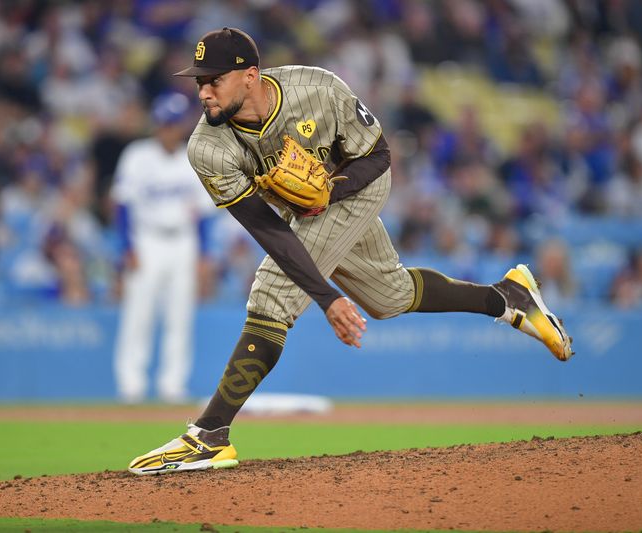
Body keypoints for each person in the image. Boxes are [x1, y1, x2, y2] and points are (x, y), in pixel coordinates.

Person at [128, 28, 573, 475]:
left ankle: (209, 435)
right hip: (299, 215)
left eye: (213, 80)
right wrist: (328, 294)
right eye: (198, 81)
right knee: (389, 297)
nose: (202, 91)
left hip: (357, 188)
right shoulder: (207, 148)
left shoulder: (316, 88)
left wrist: (328, 195)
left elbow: (378, 155)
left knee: (271, 296)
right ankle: (507, 297)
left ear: (249, 76)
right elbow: (267, 228)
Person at [112, 92, 215, 404]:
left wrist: (204, 253)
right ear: (156, 125)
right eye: (164, 124)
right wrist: (127, 246)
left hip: (183, 242)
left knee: (179, 316)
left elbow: (204, 213)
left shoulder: (192, 158)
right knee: (138, 314)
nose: (168, 130)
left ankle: (173, 384)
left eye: (173, 124)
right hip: (147, 240)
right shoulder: (137, 155)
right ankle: (131, 384)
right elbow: (122, 206)